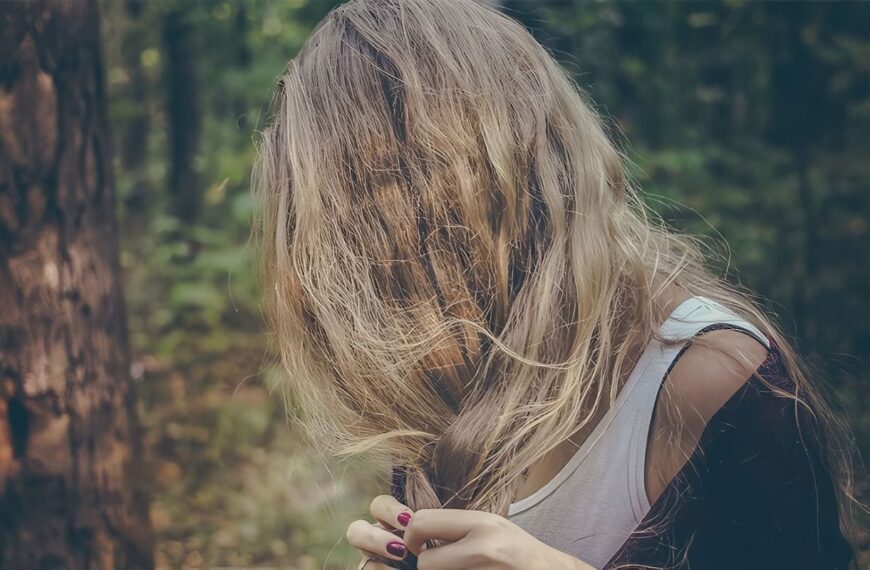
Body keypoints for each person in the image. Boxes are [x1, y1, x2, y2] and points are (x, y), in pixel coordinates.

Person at [252, 0, 859, 568]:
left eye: (392, 241)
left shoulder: (711, 380)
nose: (382, 301)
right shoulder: (448, 383)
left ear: (504, 184)